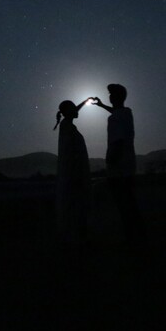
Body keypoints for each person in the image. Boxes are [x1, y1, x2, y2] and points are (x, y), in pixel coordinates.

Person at [92, 84, 146, 246]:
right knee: (129, 202)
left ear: (113, 97)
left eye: (110, 94)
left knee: (124, 205)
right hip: (129, 166)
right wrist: (101, 105)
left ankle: (132, 239)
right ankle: (138, 235)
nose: (109, 96)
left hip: (119, 169)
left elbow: (118, 141)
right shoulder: (127, 113)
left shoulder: (115, 118)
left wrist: (110, 163)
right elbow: (117, 113)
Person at [54, 98, 95, 246]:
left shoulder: (67, 125)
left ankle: (78, 239)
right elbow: (70, 153)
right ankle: (77, 241)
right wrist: (76, 173)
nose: (77, 111)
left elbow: (73, 110)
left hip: (75, 174)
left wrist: (86, 101)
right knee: (76, 208)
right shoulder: (67, 127)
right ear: (68, 111)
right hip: (74, 175)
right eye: (73, 108)